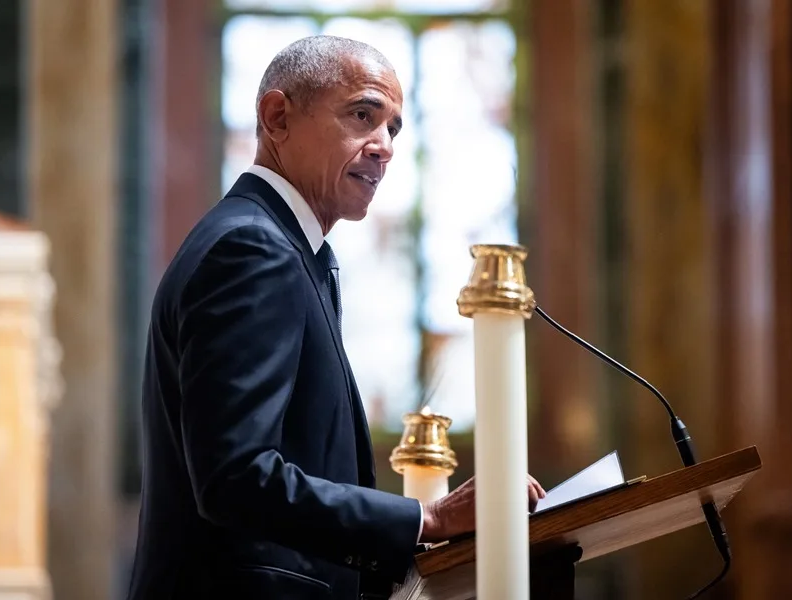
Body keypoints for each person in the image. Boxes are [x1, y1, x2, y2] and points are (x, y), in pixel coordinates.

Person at [126, 35, 545, 600]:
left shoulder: (280, 247)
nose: (385, 146)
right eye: (363, 115)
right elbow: (236, 478)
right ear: (277, 118)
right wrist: (426, 519)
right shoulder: (253, 249)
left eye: (393, 128)